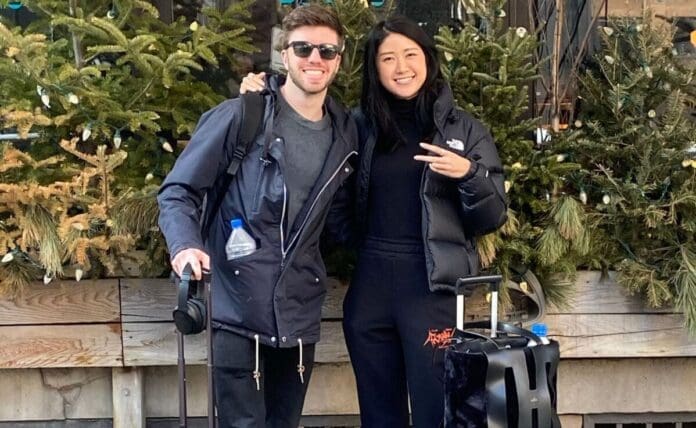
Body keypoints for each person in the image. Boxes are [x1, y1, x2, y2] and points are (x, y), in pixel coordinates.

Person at [240, 15, 506, 427]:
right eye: (388, 58)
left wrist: (470, 176)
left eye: (410, 54)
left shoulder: (464, 131)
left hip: (430, 293)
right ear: (373, 67)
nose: (401, 67)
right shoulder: (358, 125)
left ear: (428, 59)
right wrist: (259, 92)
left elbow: (491, 217)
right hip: (370, 291)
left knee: (437, 412)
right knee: (379, 415)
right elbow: (320, 166)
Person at [157, 5, 357, 427]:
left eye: (326, 50)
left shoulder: (346, 134)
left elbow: (340, 219)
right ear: (285, 54)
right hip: (236, 307)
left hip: (299, 313)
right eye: (303, 48)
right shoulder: (241, 116)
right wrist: (185, 245)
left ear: (339, 60)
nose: (314, 59)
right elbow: (178, 191)